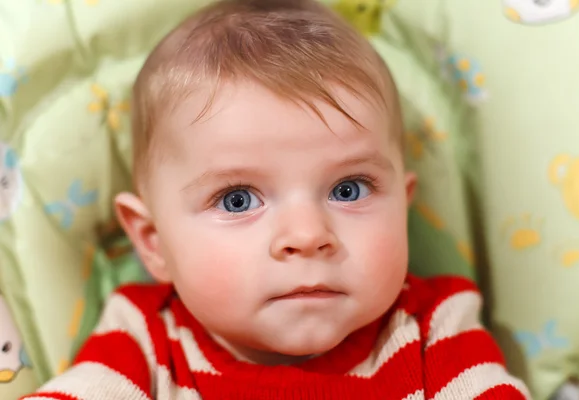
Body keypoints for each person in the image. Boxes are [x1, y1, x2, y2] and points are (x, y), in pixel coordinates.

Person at [21, 0, 531, 398]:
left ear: (403, 204)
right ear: (153, 241)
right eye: (238, 199)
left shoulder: (431, 326)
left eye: (347, 189)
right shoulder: (144, 339)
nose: (307, 236)